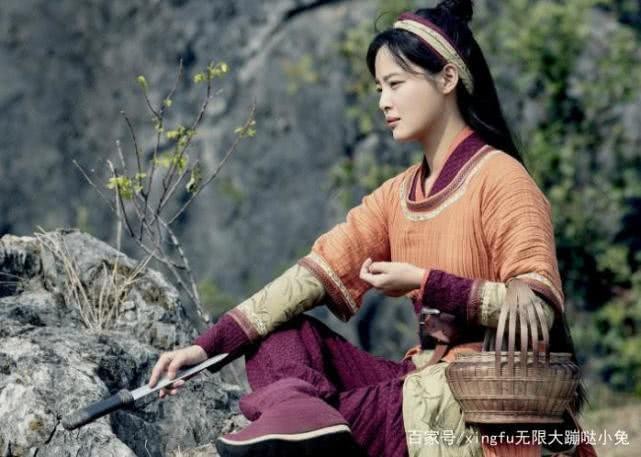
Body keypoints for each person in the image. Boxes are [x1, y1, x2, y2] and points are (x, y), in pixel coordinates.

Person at [149, 1, 597, 456]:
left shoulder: (502, 179)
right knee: (278, 333)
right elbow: (310, 276)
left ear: (447, 79)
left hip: (475, 401)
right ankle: (299, 417)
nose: (384, 101)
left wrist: (426, 282)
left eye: (396, 84)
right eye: (379, 88)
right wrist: (205, 349)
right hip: (419, 381)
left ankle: (307, 426)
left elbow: (535, 312)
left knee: (359, 412)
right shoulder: (396, 195)